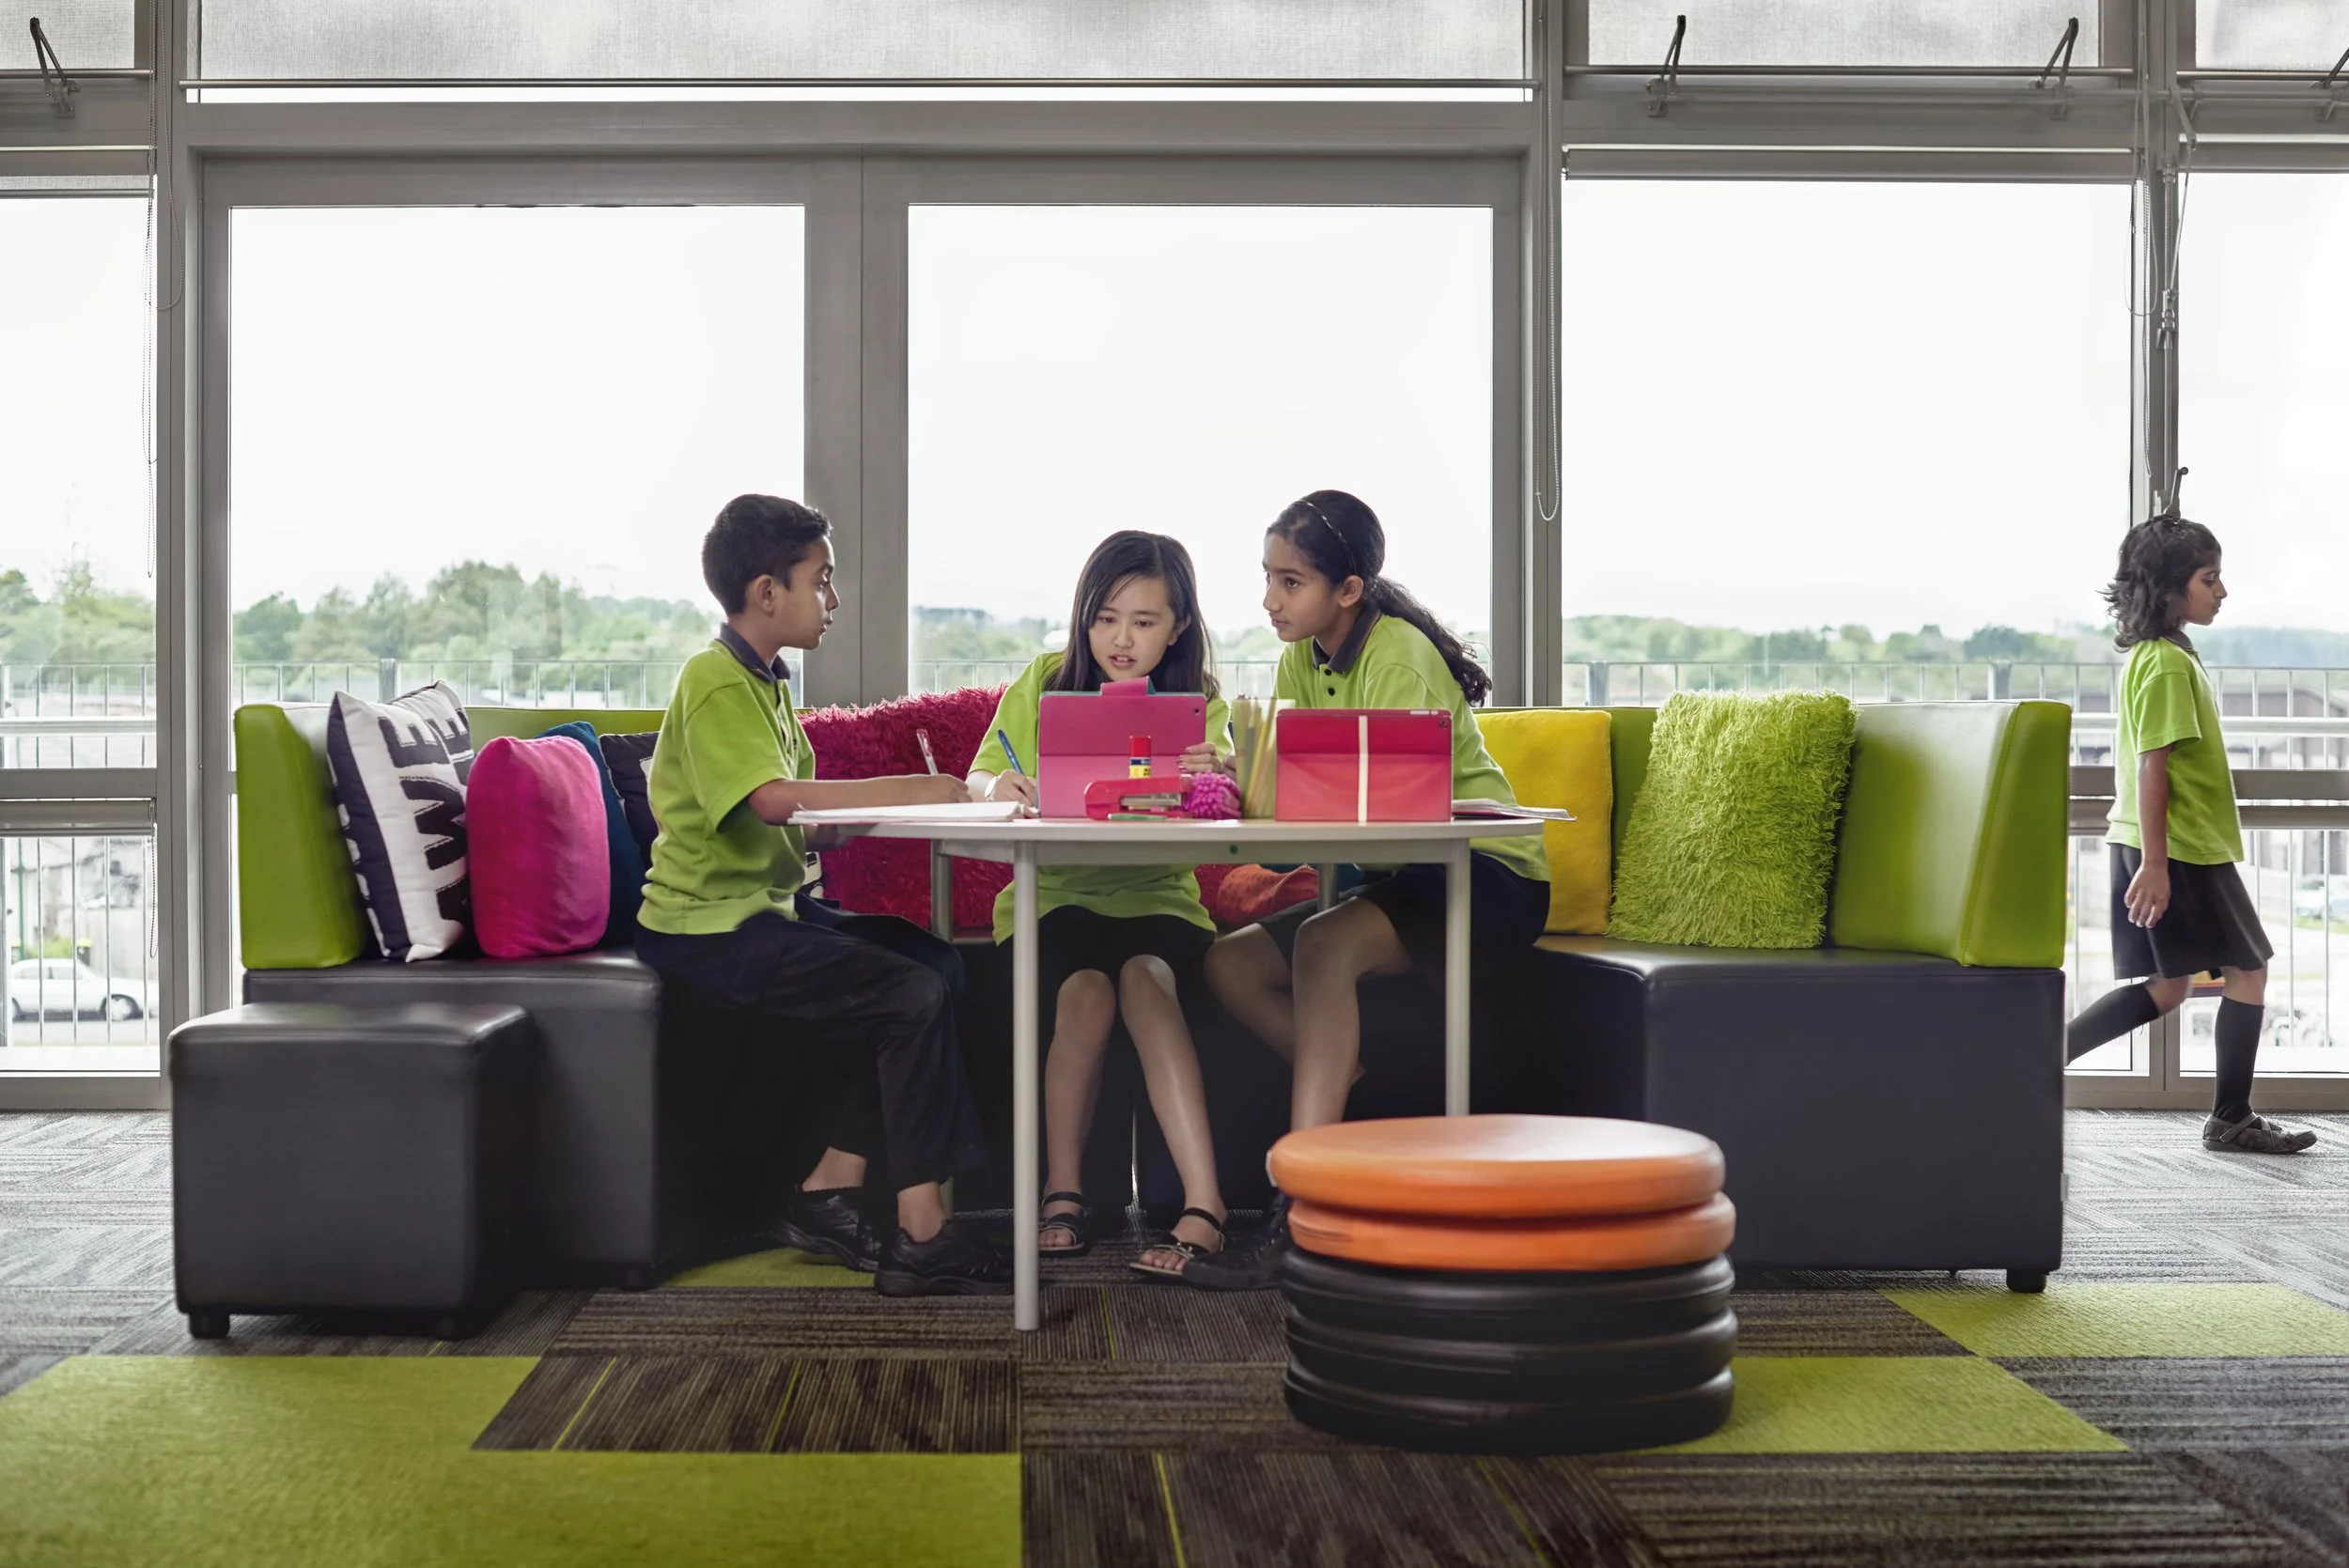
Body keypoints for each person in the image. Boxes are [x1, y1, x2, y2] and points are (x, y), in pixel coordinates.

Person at [634, 492, 1017, 1296]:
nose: (833, 601)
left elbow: (793, 819)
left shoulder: (767, 684)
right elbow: (773, 800)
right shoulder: (713, 680)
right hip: (707, 930)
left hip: (765, 911)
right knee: (907, 991)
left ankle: (829, 1185)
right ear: (767, 591)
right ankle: (922, 1235)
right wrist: (922, 787)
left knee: (936, 962)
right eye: (823, 581)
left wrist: (844, 822)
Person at [1189, 489, 1551, 1290]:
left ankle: (1303, 1209)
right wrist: (1237, 775)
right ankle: (1339, 1070)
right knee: (1230, 964)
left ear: (1347, 590)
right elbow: (1297, 788)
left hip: (1484, 872)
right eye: (1267, 577)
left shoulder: (1398, 656)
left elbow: (1393, 804)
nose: (1269, 599)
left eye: (1290, 582)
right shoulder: (1298, 658)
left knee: (1323, 941)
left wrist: (1273, 785)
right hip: (1399, 875)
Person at [968, 531, 1237, 1281]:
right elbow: (980, 776)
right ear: (1084, 616)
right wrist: (1002, 788)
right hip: (1053, 899)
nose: (1122, 639)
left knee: (1148, 978)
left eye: (1145, 622)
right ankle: (1064, 1193)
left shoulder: (1200, 708)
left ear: (1179, 626)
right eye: (1106, 617)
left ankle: (1205, 1204)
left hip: (1160, 902)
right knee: (1083, 991)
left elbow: (1228, 806)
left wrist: (1218, 777)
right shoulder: (1044, 681)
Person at [2063, 514, 2314, 1155]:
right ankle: (2231, 1117)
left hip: (2168, 846)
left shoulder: (2159, 655)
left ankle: (2031, 1063)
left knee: (2168, 985)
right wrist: (2156, 863)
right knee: (2248, 970)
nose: (2222, 590)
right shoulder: (2169, 665)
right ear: (2172, 588)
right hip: (2178, 849)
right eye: (2210, 578)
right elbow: (2155, 766)